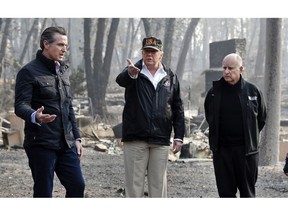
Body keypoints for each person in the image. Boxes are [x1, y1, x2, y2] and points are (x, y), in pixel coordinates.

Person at [14, 26, 85, 197]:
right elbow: (20, 105)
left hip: (66, 144)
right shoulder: (28, 72)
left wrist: (77, 137)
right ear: (46, 44)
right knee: (44, 193)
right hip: (41, 143)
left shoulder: (64, 71)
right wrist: (34, 115)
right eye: (60, 45)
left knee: (77, 186)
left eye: (66, 46)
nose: (64, 49)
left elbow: (69, 107)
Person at [116, 36, 185, 197]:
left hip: (161, 139)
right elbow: (120, 80)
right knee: (134, 186)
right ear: (142, 52)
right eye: (146, 51)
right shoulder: (134, 70)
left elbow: (177, 107)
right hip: (135, 138)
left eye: (153, 52)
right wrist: (130, 74)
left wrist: (179, 136)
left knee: (159, 187)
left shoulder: (171, 76)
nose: (149, 55)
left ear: (161, 54)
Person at [204, 53, 267, 198]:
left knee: (247, 194)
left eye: (231, 68)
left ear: (241, 69)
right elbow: (210, 118)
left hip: (246, 153)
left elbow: (261, 118)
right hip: (222, 152)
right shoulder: (214, 93)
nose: (226, 71)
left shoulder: (253, 91)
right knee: (226, 194)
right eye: (224, 68)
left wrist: (250, 137)